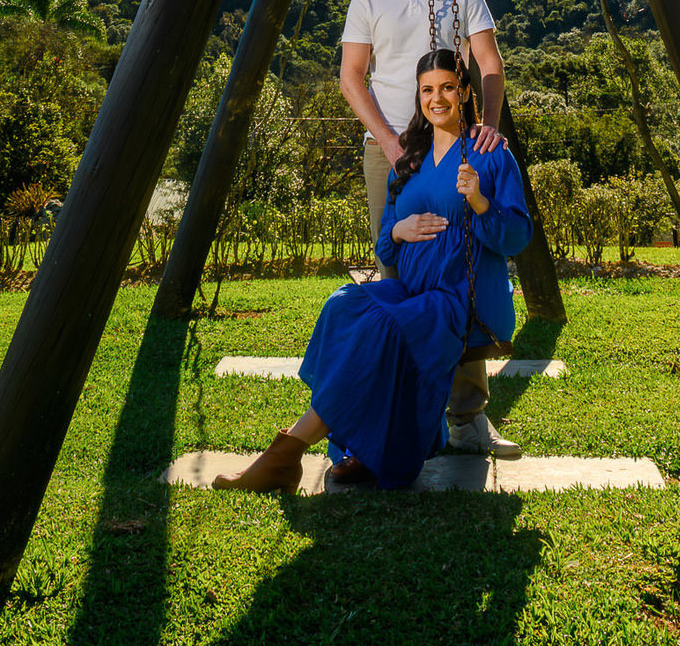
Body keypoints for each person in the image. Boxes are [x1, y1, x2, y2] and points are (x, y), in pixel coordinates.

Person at [214, 49, 532, 492]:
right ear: (418, 95)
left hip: (459, 301)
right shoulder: (411, 158)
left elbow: (517, 237)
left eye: (447, 87)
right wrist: (398, 230)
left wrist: (479, 202)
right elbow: (385, 244)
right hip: (412, 292)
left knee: (382, 328)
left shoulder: (489, 153)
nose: (437, 98)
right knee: (343, 307)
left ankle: (286, 454)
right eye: (427, 90)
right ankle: (351, 449)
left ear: (464, 92)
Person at [338, 0, 520, 456]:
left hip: (449, 147)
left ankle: (466, 418)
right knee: (396, 268)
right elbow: (351, 78)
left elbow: (489, 64)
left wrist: (488, 127)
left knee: (462, 269)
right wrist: (391, 143)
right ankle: (400, 410)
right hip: (390, 152)